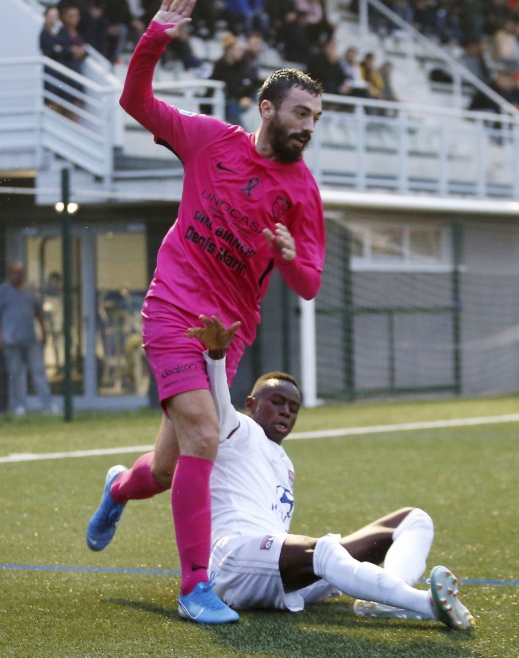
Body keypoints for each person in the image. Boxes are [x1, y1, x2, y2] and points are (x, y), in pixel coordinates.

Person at [85, 0, 326, 625]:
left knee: (167, 468)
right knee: (203, 434)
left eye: (316, 118)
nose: (308, 126)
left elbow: (308, 284)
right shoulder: (209, 141)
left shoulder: (302, 192)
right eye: (301, 113)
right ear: (266, 110)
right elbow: (135, 102)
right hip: (173, 308)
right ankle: (196, 586)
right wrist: (157, 35)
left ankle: (119, 488)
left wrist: (292, 255)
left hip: (230, 334)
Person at [188, 314, 475, 628]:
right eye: (277, 401)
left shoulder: (285, 463)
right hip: (235, 562)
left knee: (414, 519)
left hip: (275, 571)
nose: (286, 410)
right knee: (323, 551)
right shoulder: (236, 430)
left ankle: (386, 599)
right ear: (251, 404)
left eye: (293, 408)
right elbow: (216, 404)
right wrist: (215, 356)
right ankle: (427, 604)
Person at [0, 261, 55, 416]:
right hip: (11, 340)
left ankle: (47, 405)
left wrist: (44, 332)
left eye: (21, 272)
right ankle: (19, 406)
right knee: (16, 374)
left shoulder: (30, 291)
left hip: (31, 339)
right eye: (15, 272)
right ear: (9, 274)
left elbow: (39, 313)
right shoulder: (2, 292)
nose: (18, 275)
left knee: (39, 373)